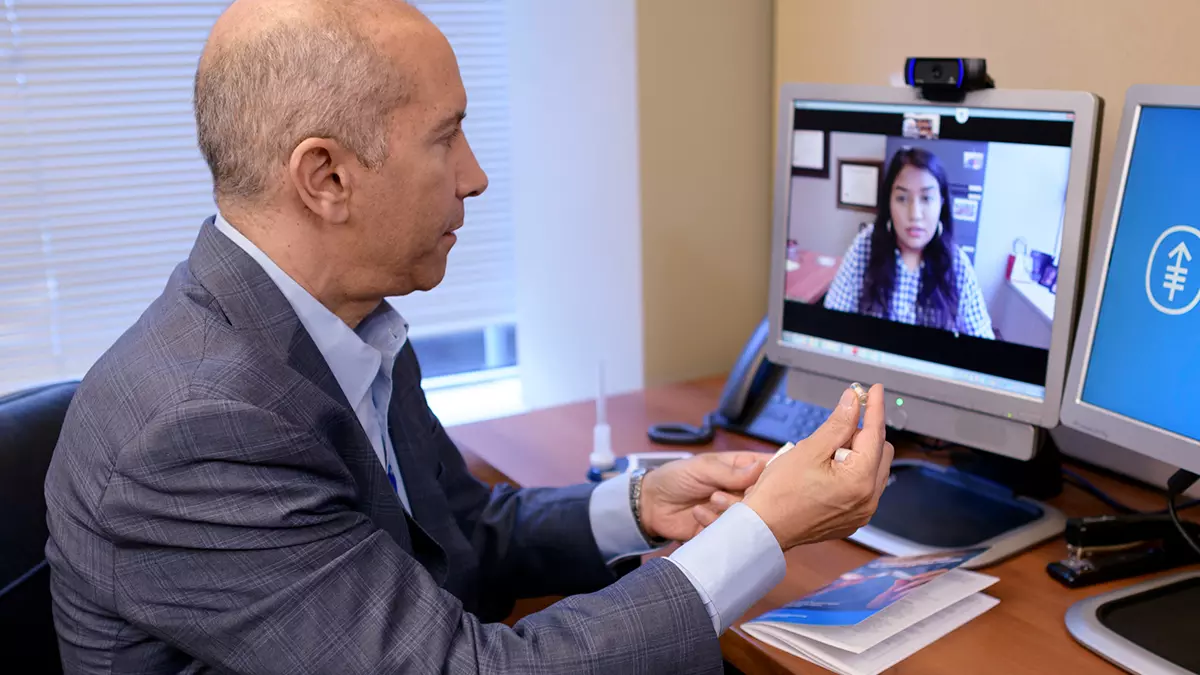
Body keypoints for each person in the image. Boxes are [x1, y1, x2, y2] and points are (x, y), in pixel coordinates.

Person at [43, 1, 894, 673]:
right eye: (445, 138)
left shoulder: (348, 319)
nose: (476, 175)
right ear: (326, 176)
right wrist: (761, 533)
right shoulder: (200, 427)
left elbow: (457, 533)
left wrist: (638, 505)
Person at [824, 147, 995, 338]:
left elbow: (983, 341)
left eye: (926, 198)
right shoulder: (865, 247)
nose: (914, 214)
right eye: (902, 198)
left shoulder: (957, 265)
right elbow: (832, 325)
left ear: (941, 203)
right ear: (889, 203)